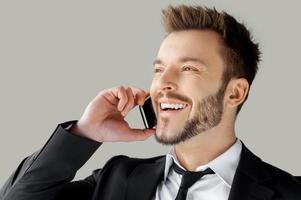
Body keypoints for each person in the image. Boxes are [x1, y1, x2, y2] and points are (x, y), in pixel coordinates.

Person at [1, 4, 300, 200]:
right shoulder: (113, 180)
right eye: (159, 70)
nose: (162, 84)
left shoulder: (291, 192)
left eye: (188, 69)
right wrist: (85, 132)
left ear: (235, 92)